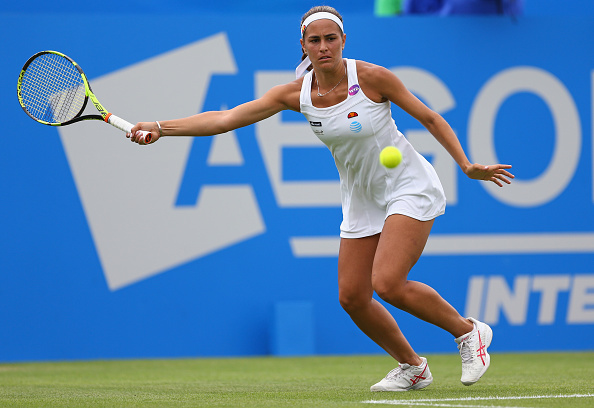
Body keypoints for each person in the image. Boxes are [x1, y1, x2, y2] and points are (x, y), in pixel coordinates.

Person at [129, 5, 514, 391]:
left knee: (388, 282)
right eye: (315, 40)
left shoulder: (371, 78)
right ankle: (413, 366)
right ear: (304, 46)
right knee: (352, 296)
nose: (324, 46)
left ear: (344, 40)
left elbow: (429, 117)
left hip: (407, 186)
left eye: (332, 39)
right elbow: (225, 119)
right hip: (361, 198)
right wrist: (161, 127)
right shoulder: (295, 94)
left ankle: (468, 333)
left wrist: (465, 165)